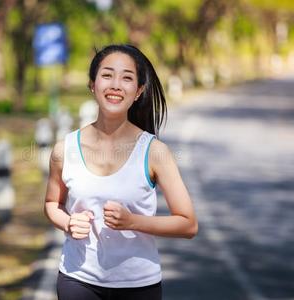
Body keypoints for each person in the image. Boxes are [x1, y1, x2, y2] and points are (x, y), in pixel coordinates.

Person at [44, 44, 198, 300]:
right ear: (92, 84)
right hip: (78, 279)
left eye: (127, 77)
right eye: (107, 75)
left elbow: (188, 224)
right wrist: (68, 222)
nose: (116, 84)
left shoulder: (155, 152)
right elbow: (52, 203)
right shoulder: (65, 149)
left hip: (138, 286)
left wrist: (133, 222)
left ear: (138, 91)